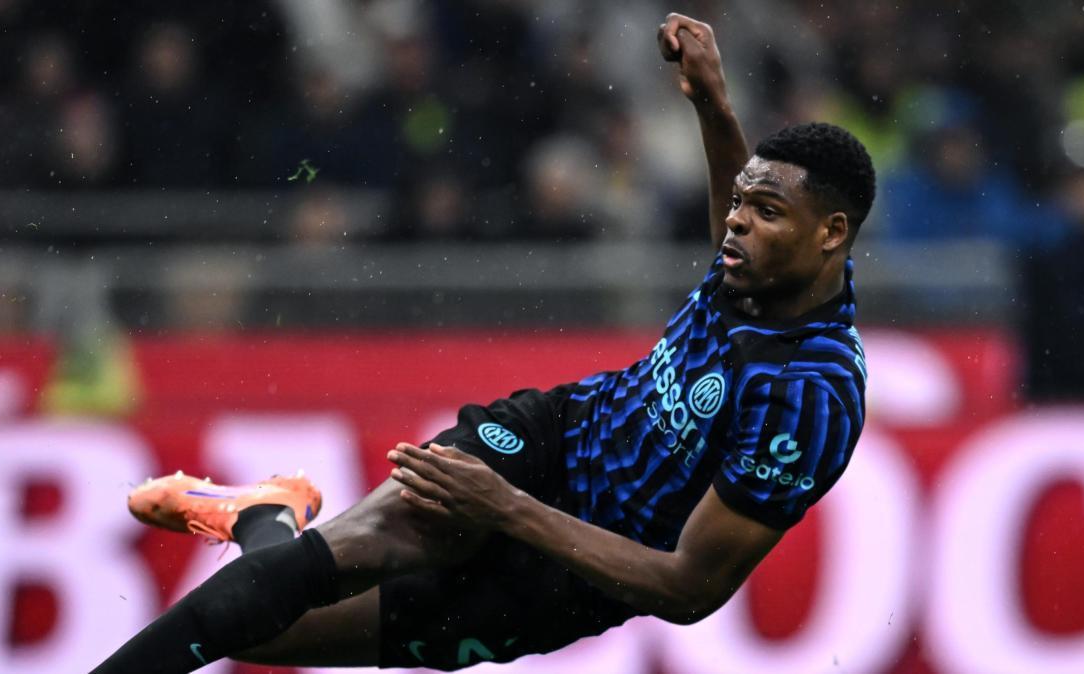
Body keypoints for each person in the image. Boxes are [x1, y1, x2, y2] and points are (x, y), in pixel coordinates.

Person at [92, 13, 874, 673]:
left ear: (832, 234)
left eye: (766, 212)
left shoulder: (808, 395)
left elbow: (688, 589)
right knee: (331, 560)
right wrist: (712, 103)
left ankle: (265, 517)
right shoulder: (755, 265)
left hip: (567, 574)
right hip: (552, 436)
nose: (736, 224)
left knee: (269, 630)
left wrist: (508, 511)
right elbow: (739, 214)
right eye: (741, 203)